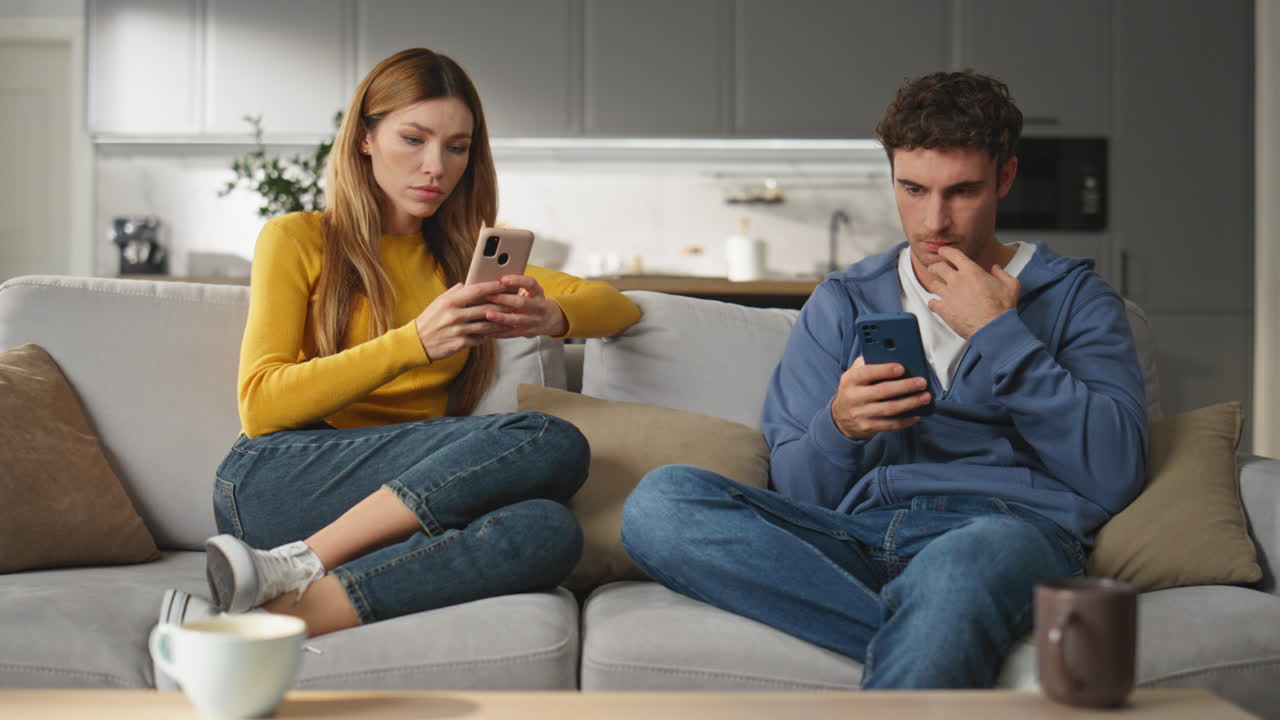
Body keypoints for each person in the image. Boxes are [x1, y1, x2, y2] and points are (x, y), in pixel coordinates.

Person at [619, 70, 1147, 689]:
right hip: (860, 535)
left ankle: (941, 618)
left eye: (962, 192)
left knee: (959, 568)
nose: (933, 222)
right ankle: (934, 633)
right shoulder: (844, 300)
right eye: (913, 189)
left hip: (1005, 534)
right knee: (662, 503)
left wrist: (1000, 334)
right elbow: (799, 492)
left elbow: (1116, 475)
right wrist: (839, 427)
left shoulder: (1076, 299)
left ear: (1005, 178)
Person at [159, 48, 641, 638]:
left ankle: (277, 619)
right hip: (278, 479)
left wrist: (551, 313)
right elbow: (260, 406)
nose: (435, 166)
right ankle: (293, 562)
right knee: (548, 439)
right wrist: (415, 341)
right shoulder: (299, 238)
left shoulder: (465, 263)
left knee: (548, 531)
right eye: (413, 139)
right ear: (365, 137)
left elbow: (619, 306)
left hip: (401, 505)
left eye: (457, 147)